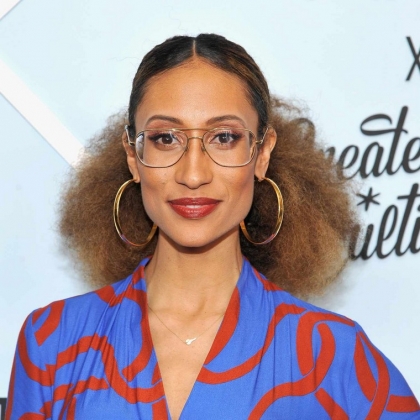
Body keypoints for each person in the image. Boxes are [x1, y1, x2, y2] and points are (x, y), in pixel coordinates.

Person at [6, 34, 419, 420]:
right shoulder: (52, 345)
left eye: (224, 137)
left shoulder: (334, 356)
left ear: (262, 153)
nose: (193, 173)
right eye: (166, 138)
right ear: (133, 155)